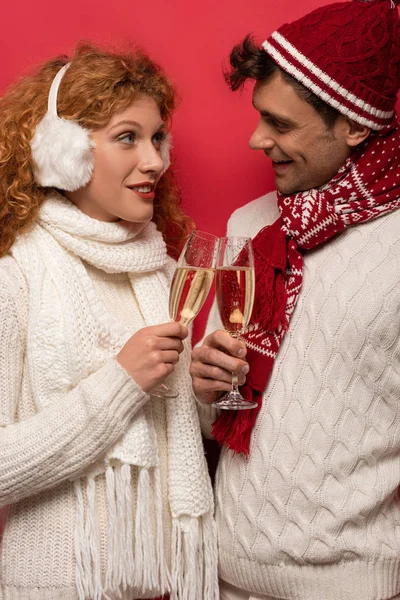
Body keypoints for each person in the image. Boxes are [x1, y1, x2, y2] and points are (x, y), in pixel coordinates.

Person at [190, 1, 400, 599]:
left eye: (281, 125)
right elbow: (214, 413)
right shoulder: (251, 224)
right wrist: (202, 382)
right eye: (260, 117)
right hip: (225, 575)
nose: (257, 139)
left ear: (355, 126)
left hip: (352, 584)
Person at [0, 43, 218, 600]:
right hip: (55, 585)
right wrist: (121, 382)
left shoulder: (167, 271)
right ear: (63, 151)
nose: (155, 161)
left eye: (157, 138)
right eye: (128, 137)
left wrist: (206, 392)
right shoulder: (16, 275)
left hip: (157, 585)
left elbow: (189, 433)